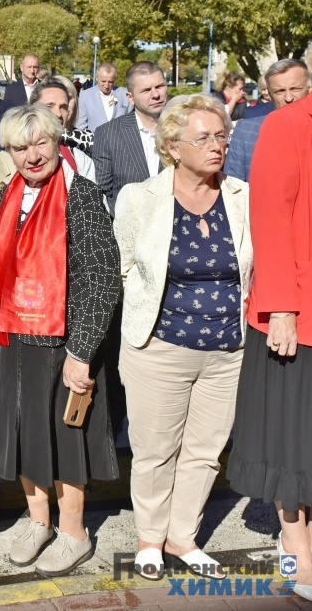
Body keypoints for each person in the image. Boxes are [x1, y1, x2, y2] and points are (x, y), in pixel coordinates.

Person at [114, 94, 251, 581]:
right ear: (173, 145)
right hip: (160, 348)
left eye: (222, 137)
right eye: (204, 138)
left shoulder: (242, 197)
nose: (217, 146)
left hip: (227, 350)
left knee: (205, 450)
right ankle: (150, 538)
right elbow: (123, 268)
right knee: (155, 450)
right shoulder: (140, 198)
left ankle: (183, 537)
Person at [0, 104, 121, 577]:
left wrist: (81, 353)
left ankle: (73, 532)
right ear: (9, 153)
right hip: (19, 338)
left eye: (41, 143)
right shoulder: (9, 192)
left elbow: (101, 278)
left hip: (65, 340)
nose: (33, 155)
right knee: (25, 431)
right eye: (20, 147)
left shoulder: (80, 195)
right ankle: (38, 521)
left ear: (57, 141)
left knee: (67, 437)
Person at [226, 27, 312, 606]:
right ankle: (296, 550)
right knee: (293, 439)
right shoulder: (287, 125)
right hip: (300, 312)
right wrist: (280, 306)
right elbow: (271, 216)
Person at [93, 61, 170, 214]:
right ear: (130, 97)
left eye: (160, 86)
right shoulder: (108, 134)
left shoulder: (183, 129)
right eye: (146, 90)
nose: (155, 95)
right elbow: (103, 192)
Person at [224, 59, 310, 182]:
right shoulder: (246, 131)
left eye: (295, 89)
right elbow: (233, 189)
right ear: (269, 94)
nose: (289, 98)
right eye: (280, 91)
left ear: (310, 88)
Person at [29, 76, 97, 184]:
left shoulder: (81, 161)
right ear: (32, 108)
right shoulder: (16, 155)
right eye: (49, 106)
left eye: (63, 107)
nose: (58, 114)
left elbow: (93, 198)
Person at [76, 62, 132, 133]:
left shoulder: (125, 93)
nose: (106, 85)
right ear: (97, 77)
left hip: (120, 141)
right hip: (95, 141)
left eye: (110, 82)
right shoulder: (85, 95)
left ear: (115, 79)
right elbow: (81, 125)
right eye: (103, 81)